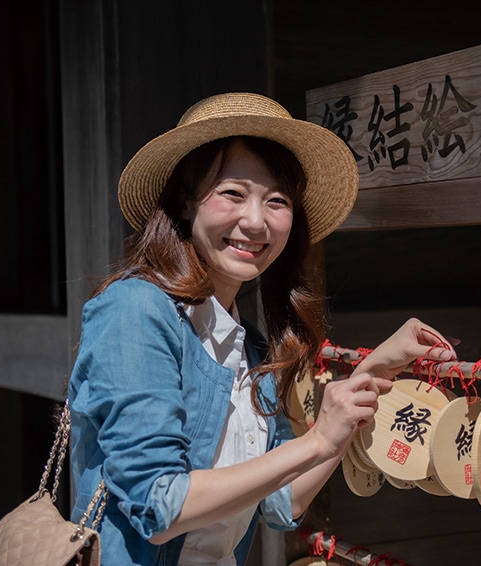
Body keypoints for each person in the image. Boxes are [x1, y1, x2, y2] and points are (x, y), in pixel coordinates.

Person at [67, 92, 457, 566]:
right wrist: (315, 441)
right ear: (187, 203)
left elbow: (281, 502)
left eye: (276, 200)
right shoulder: (135, 310)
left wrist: (371, 374)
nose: (255, 221)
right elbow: (158, 504)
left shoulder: (248, 344)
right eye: (232, 193)